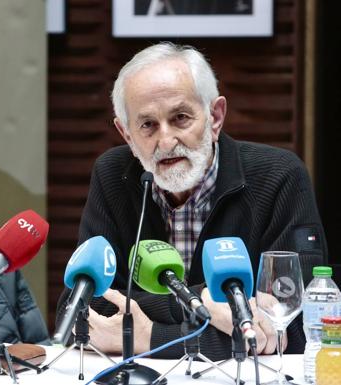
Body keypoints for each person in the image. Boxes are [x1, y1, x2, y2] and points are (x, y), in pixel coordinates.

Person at [57, 42, 327, 360]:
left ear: (215, 117)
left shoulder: (278, 177)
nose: (167, 140)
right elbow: (78, 311)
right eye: (147, 125)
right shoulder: (113, 175)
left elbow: (293, 328)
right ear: (127, 134)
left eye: (181, 117)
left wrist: (151, 337)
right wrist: (204, 302)